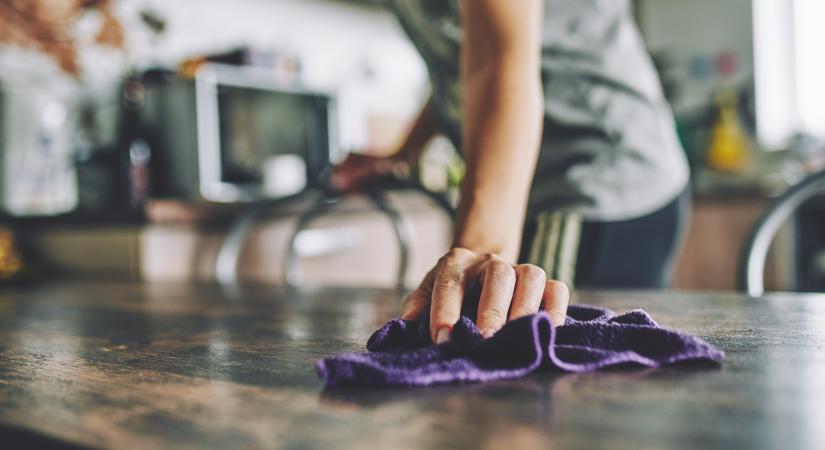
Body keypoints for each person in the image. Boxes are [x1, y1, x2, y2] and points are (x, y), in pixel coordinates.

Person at [331, 0, 689, 345]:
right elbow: (463, 66)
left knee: (531, 356)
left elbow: (497, 59)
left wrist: (480, 256)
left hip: (598, 174)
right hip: (547, 186)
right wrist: (405, 152)